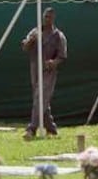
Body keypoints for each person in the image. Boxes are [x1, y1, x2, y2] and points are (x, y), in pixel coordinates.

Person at [21, 7, 67, 140]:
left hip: (48, 70)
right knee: (40, 99)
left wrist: (54, 62)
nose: (47, 19)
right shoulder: (35, 32)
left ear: (53, 18)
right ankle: (51, 128)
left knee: (40, 97)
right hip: (35, 69)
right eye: (45, 16)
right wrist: (30, 42)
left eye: (49, 17)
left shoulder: (59, 35)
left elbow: (62, 55)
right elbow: (24, 47)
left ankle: (31, 129)